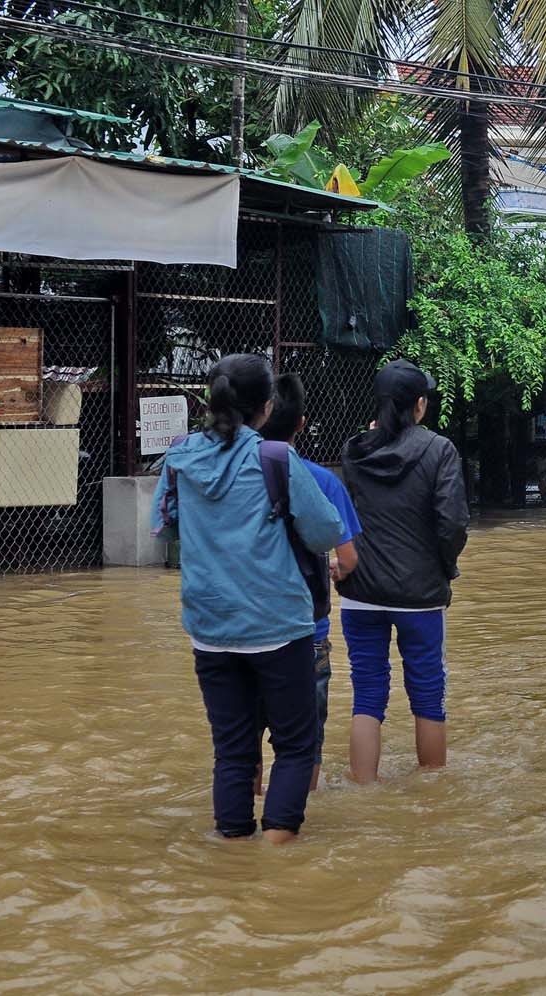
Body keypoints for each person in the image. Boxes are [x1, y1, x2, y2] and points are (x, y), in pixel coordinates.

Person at [151, 353, 344, 843]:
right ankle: (277, 860)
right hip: (278, 626)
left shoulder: (179, 457)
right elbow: (325, 533)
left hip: (210, 628)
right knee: (296, 746)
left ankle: (233, 855)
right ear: (266, 406)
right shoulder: (276, 458)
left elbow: (164, 530)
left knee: (233, 750)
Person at [337, 359, 469, 784]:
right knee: (428, 694)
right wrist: (445, 569)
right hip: (420, 594)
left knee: (368, 694)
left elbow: (348, 517)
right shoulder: (439, 449)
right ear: (419, 405)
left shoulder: (354, 449)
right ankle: (431, 792)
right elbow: (452, 524)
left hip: (360, 592)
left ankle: (362, 788)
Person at [258, 372, 361, 791]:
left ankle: (241, 824)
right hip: (305, 630)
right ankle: (299, 815)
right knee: (304, 741)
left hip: (245, 625)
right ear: (302, 424)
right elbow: (348, 558)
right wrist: (334, 571)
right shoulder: (322, 480)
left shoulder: (237, 475)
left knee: (245, 737)